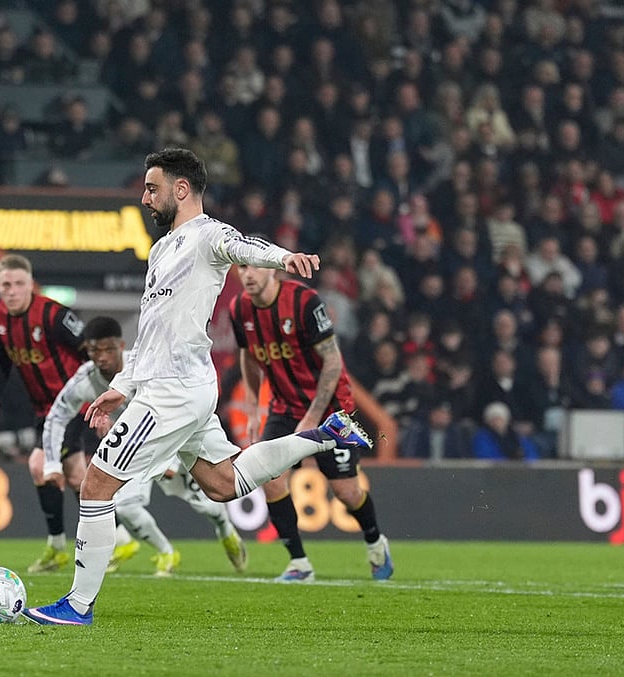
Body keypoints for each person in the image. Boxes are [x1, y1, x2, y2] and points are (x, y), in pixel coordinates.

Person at [23, 148, 371, 626]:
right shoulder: (161, 249)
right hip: (177, 385)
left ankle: (78, 605)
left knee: (97, 486)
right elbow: (149, 334)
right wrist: (122, 384)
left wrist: (286, 258)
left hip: (174, 391)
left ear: (180, 189)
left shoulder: (208, 235)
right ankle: (325, 435)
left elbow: (244, 246)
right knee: (221, 483)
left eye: (152, 187)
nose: (145, 197)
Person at [43, 316, 248, 577]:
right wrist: (51, 462)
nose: (102, 357)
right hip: (136, 448)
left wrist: (172, 460)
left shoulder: (147, 364)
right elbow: (56, 417)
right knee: (125, 506)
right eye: (95, 350)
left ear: (121, 346)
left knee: (207, 503)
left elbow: (178, 405)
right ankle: (166, 552)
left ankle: (224, 528)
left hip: (177, 439)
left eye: (108, 349)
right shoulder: (85, 380)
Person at [229, 259, 394, 583]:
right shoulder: (240, 309)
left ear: (273, 269)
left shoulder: (303, 302)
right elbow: (248, 355)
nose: (247, 274)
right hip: (284, 406)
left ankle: (376, 543)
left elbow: (333, 361)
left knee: (346, 491)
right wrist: (251, 404)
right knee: (271, 479)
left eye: (254, 267)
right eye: (242, 267)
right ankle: (299, 563)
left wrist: (313, 417)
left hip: (331, 408)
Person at [0, 254, 89, 573]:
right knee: (78, 476)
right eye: (6, 285)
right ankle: (118, 537)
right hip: (44, 409)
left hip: (72, 404)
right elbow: (3, 360)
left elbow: (91, 353)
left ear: (31, 284)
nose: (12, 291)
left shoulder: (53, 315)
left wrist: (100, 397)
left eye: (19, 284)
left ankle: (57, 547)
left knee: (39, 465)